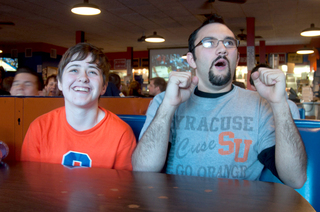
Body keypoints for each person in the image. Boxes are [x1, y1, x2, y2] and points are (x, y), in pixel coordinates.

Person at [132, 14, 307, 189]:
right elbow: (143, 169)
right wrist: (168, 107)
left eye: (229, 43)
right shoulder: (164, 101)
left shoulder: (262, 105)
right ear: (191, 59)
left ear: (236, 59)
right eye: (209, 42)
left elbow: (295, 179)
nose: (222, 49)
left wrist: (279, 104)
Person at [21, 43, 136, 170]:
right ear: (59, 82)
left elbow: (121, 187)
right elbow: (32, 185)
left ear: (104, 87)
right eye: (74, 70)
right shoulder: (39, 128)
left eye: (92, 71)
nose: (83, 78)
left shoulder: (122, 133)